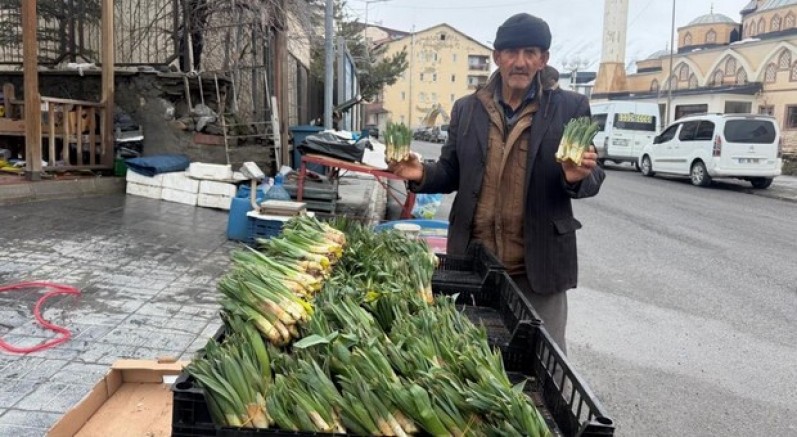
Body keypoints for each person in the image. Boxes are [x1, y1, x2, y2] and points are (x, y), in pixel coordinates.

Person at [389, 13, 605, 354]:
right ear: (497, 56)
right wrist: (423, 175)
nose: (520, 62)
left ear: (543, 59)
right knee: (470, 357)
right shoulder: (467, 109)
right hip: (475, 261)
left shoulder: (570, 106)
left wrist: (576, 178)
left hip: (537, 268)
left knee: (540, 361)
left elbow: (592, 176)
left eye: (531, 52)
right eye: (511, 52)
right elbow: (452, 170)